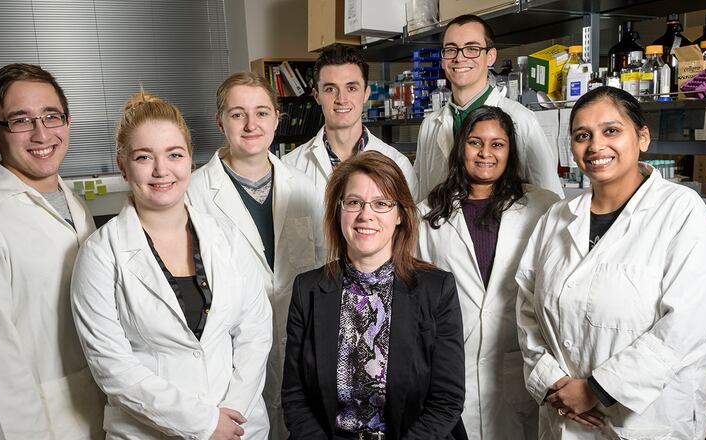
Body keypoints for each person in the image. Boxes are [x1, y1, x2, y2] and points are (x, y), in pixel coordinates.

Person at [516, 86, 706, 439]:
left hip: (643, 421)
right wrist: (551, 380)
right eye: (583, 135)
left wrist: (596, 390)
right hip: (564, 414)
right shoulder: (557, 217)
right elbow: (526, 305)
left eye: (611, 131)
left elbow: (690, 327)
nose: (596, 146)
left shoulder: (681, 211)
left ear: (642, 137)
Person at [71, 91, 272, 439]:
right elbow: (112, 368)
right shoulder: (101, 254)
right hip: (152, 431)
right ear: (123, 165)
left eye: (174, 155)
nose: (161, 170)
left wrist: (229, 418)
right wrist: (204, 424)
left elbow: (255, 331)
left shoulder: (226, 236)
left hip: (238, 427)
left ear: (190, 160)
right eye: (144, 157)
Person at [0, 63, 105, 439]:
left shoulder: (73, 204)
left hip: (102, 411)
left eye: (51, 116)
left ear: (68, 121)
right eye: (21, 121)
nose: (41, 133)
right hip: (42, 423)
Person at [282, 151, 468, 439]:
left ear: (400, 216)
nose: (365, 214)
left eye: (381, 203)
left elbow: (446, 401)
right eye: (354, 202)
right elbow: (295, 399)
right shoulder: (307, 290)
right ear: (338, 211)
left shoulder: (436, 290)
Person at [187, 72, 324, 439]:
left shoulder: (305, 188)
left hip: (299, 344)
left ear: (277, 119)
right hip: (229, 359)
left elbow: (326, 268)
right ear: (220, 122)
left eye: (262, 113)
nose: (251, 125)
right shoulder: (193, 194)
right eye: (237, 114)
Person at [417, 106, 559, 440]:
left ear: (510, 151)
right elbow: (417, 297)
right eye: (475, 142)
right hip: (450, 370)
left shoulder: (543, 207)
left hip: (518, 367)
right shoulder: (428, 213)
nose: (485, 153)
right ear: (460, 148)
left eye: (497, 144)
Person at [414, 15, 563, 201]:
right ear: (443, 59)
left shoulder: (521, 119)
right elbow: (420, 196)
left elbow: (550, 199)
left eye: (472, 49)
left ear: (490, 56)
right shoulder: (430, 125)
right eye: (451, 50)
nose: (459, 58)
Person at [282, 44, 419, 199]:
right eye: (330, 89)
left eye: (351, 88)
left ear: (366, 93)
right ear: (316, 96)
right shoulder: (289, 167)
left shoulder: (398, 165)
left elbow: (409, 223)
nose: (342, 99)